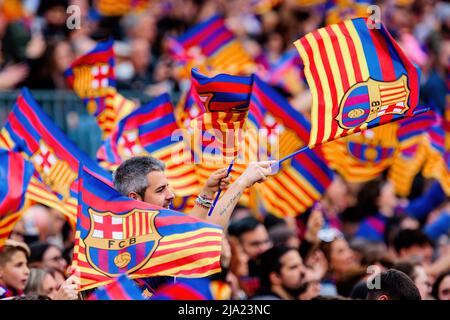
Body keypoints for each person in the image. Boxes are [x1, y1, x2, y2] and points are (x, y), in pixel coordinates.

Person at [113, 156, 274, 229]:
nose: (171, 195)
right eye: (160, 190)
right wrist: (242, 182)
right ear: (134, 198)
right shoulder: (142, 237)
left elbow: (196, 228)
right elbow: (207, 236)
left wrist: (208, 191)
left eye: (167, 187)